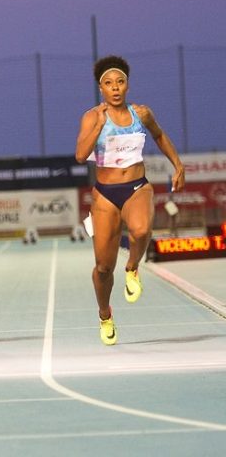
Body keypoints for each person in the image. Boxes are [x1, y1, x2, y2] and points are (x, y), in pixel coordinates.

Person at [75, 55, 185, 345]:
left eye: (120, 82)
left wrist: (178, 165)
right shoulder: (92, 116)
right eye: (109, 83)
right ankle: (105, 315)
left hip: (137, 186)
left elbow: (160, 136)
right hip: (105, 194)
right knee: (102, 267)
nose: (115, 88)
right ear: (101, 88)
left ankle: (133, 267)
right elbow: (79, 154)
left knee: (140, 230)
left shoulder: (141, 114)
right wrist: (98, 126)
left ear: (127, 85)